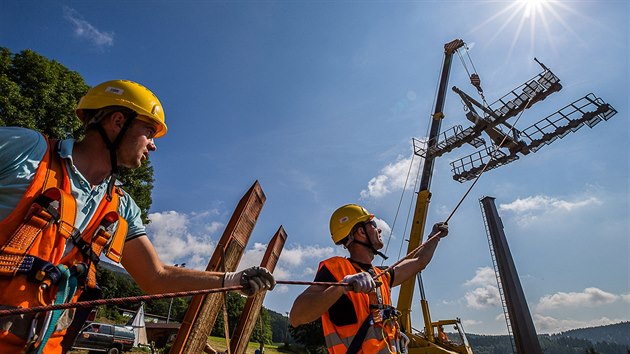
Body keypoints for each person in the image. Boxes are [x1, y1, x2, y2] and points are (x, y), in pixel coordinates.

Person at [0, 80, 276, 353]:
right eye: (149, 131)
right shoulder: (28, 150)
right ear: (118, 121)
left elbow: (157, 277)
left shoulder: (120, 207)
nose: (154, 146)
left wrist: (233, 280)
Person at [289, 204, 447, 353]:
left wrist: (434, 237)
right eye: (373, 224)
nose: (379, 229)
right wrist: (342, 286)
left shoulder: (381, 276)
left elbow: (419, 262)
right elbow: (297, 316)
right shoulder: (336, 269)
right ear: (361, 232)